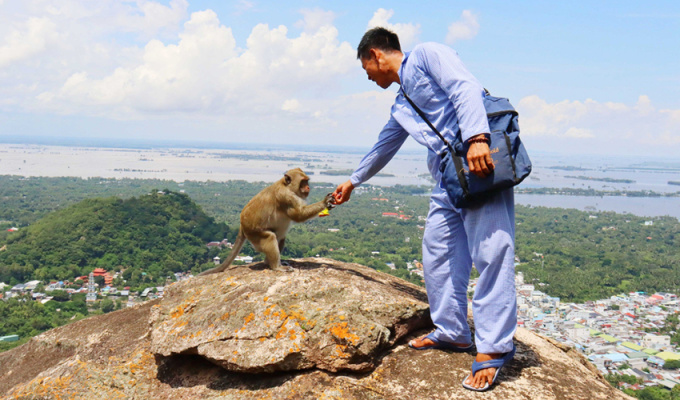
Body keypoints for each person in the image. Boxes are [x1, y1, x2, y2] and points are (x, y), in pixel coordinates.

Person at [332, 27, 517, 391]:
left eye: (365, 68)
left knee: (492, 253)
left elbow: (465, 87)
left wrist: (477, 138)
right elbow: (384, 145)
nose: (368, 77)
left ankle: (494, 347)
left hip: (479, 164)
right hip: (449, 178)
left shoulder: (428, 54)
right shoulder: (401, 103)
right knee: (438, 251)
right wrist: (353, 181)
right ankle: (452, 331)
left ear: (375, 55)